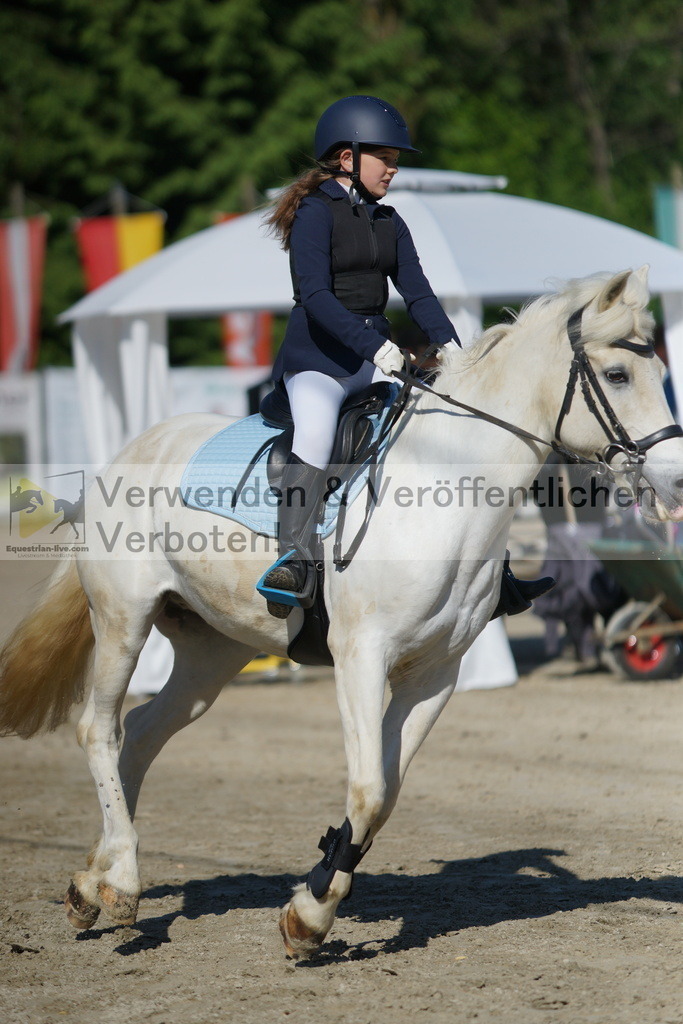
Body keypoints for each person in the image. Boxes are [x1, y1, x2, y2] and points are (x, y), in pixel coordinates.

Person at [259, 94, 552, 617]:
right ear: (346, 158)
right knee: (316, 435)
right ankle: (293, 560)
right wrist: (377, 348)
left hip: (374, 361)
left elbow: (418, 295)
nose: (393, 170)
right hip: (319, 362)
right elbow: (316, 297)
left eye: (395, 161)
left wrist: (455, 352)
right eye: (385, 159)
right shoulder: (313, 214)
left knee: (442, 433)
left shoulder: (389, 220)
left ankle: (490, 569)